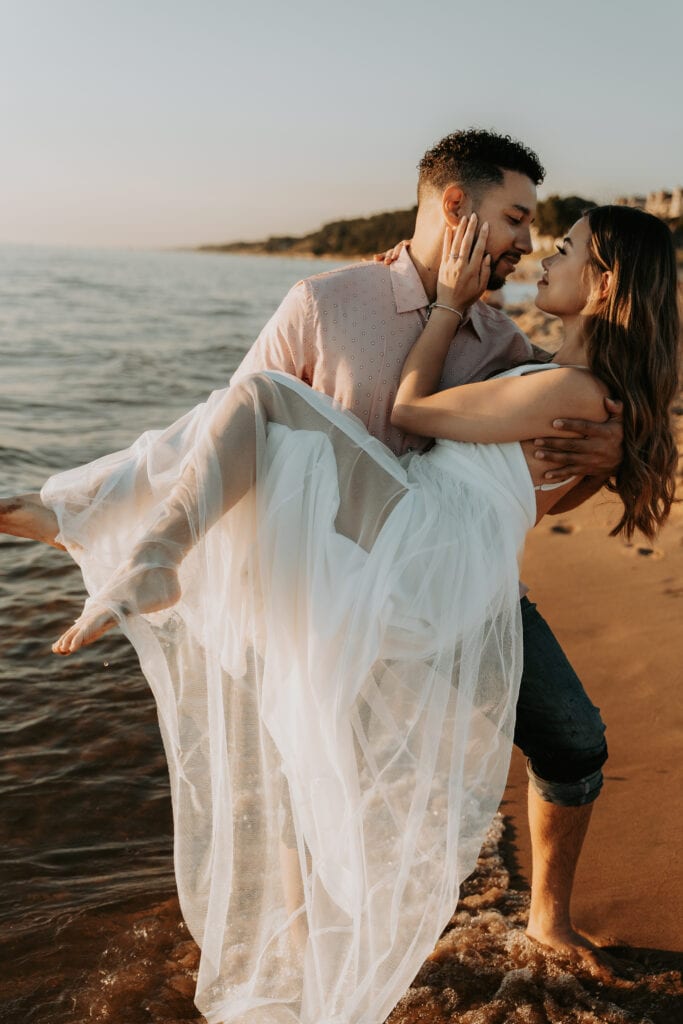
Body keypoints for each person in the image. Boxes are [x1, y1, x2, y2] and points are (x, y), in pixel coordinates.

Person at [1, 199, 679, 1024]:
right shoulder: (523, 363)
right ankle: (101, 522)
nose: (537, 251)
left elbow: (413, 412)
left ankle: (105, 527)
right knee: (256, 412)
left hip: (424, 553)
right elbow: (533, 478)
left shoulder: (547, 373)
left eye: (561, 246)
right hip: (423, 549)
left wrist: (448, 310)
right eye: (526, 228)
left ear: (605, 285)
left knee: (260, 402)